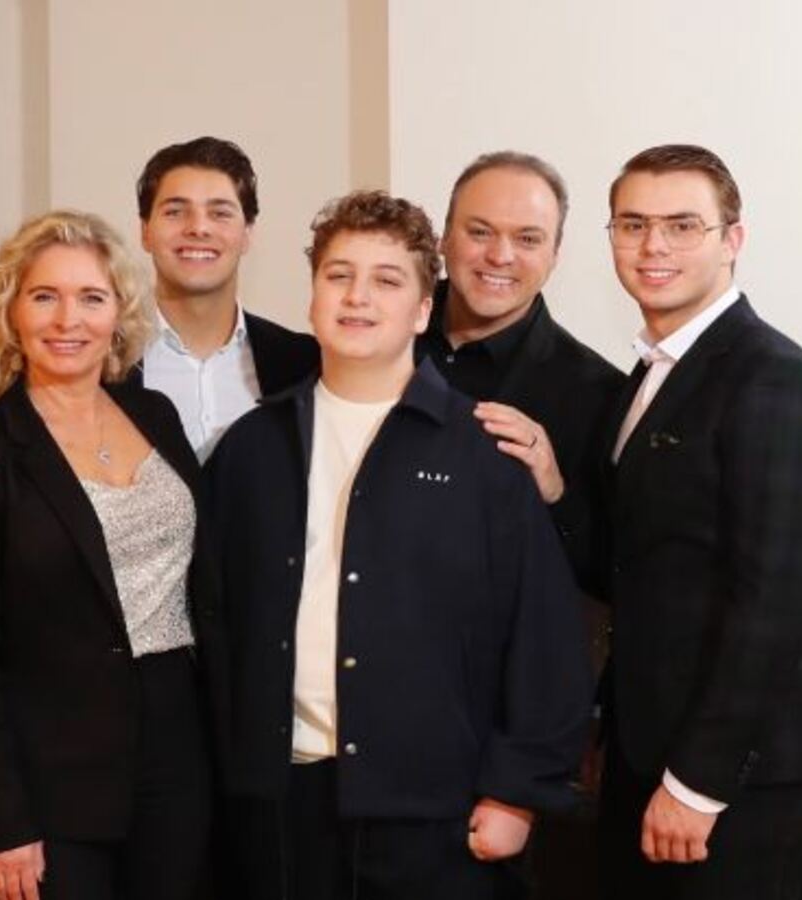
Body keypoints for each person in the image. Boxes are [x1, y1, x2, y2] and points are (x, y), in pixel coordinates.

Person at [204, 190, 590, 899]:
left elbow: (544, 638)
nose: (358, 297)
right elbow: (217, 625)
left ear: (421, 310)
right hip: (281, 807)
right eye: (339, 276)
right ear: (313, 297)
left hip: (440, 814)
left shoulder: (485, 452)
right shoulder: (252, 448)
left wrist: (517, 792)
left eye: (386, 280)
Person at [0, 210, 218, 900]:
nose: (68, 320)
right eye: (44, 296)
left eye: (91, 297)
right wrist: (1, 820)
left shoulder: (156, 415)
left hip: (180, 751)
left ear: (118, 312)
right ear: (13, 312)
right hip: (51, 781)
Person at [595, 144, 802, 900]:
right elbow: (642, 562)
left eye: (682, 225)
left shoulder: (777, 382)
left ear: (732, 239)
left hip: (731, 773)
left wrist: (698, 784)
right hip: (652, 745)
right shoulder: (656, 371)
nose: (653, 246)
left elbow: (774, 605)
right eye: (633, 224)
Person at [421, 151, 622, 591]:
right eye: (479, 232)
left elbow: (608, 576)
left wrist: (554, 494)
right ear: (444, 238)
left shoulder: (600, 395)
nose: (500, 256)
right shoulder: (377, 330)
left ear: (555, 255)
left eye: (528, 239)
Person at [134, 136, 318, 459]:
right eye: (175, 211)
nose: (198, 228)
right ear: (145, 231)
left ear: (247, 234)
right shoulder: (104, 359)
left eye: (219, 213)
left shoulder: (304, 363)